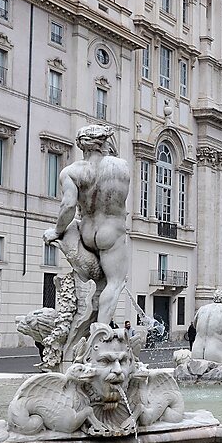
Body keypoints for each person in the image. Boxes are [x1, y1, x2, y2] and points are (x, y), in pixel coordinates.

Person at [42, 125, 129, 325]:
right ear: (103, 143)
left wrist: (57, 231)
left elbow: (68, 205)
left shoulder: (71, 171)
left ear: (83, 147)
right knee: (114, 283)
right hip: (111, 231)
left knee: (101, 283)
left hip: (87, 230)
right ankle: (101, 333)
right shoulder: (121, 167)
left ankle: (87, 320)